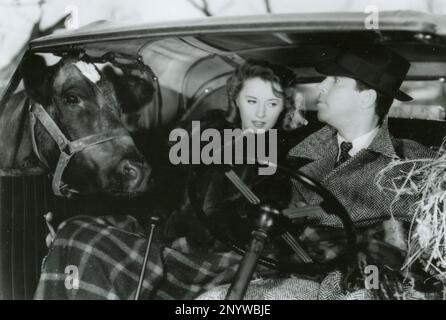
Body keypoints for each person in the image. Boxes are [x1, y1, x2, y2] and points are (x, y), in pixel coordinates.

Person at [34, 60, 308, 300]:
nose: (260, 115)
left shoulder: (286, 158)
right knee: (75, 231)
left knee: (87, 244)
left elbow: (271, 225)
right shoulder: (206, 134)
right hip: (173, 237)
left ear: (284, 105)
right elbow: (155, 172)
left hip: (223, 257)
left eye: (272, 103)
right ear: (235, 99)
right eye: (252, 102)